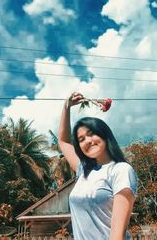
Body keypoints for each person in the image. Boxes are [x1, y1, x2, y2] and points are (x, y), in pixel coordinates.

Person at [58, 92, 138, 240]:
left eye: (91, 134)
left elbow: (117, 235)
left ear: (105, 135)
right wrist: (66, 106)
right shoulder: (83, 171)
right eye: (81, 139)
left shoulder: (120, 170)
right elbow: (63, 142)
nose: (87, 141)